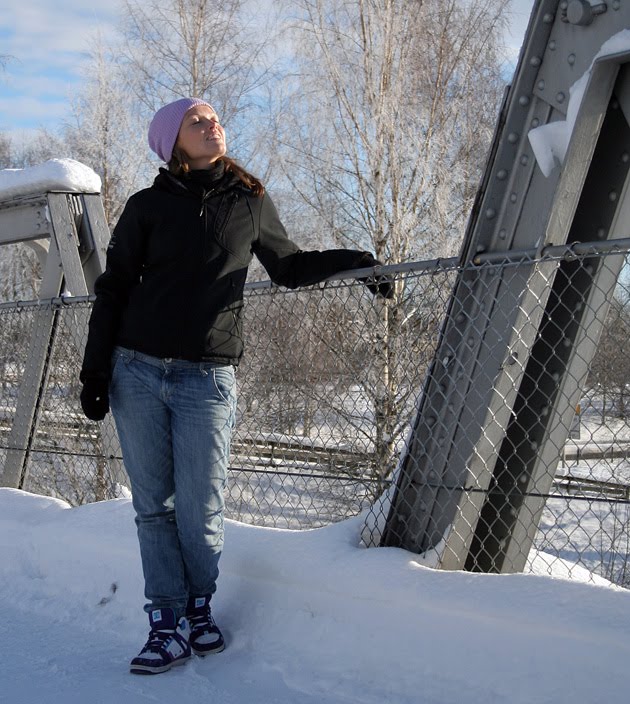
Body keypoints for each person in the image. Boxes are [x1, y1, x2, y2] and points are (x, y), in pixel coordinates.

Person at [79, 97, 391, 676]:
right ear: (172, 140)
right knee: (153, 508)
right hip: (137, 371)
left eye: (214, 118)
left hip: (207, 378)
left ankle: (198, 608)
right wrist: (95, 372)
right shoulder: (147, 206)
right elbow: (114, 289)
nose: (212, 125)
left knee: (201, 509)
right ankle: (165, 624)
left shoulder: (249, 200)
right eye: (196, 121)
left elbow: (289, 267)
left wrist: (359, 264)